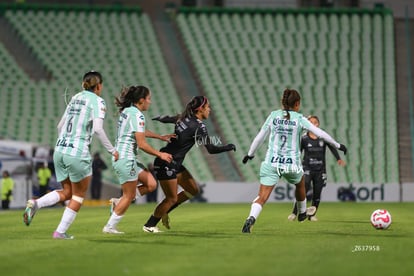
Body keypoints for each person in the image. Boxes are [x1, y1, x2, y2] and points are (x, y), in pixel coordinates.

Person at [23, 71, 119, 239]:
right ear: (99, 86)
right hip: (77, 152)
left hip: (60, 150)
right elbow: (97, 129)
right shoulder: (98, 101)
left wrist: (65, 143)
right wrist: (112, 150)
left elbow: (60, 126)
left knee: (67, 192)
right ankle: (59, 232)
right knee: (78, 195)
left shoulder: (75, 98)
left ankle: (36, 203)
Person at [241, 88, 347, 233]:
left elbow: (260, 137)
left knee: (262, 196)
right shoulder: (299, 118)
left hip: (271, 162)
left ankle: (251, 218)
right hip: (291, 164)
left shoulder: (273, 116)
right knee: (300, 183)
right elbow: (320, 133)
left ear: (283, 102)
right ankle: (302, 212)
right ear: (297, 103)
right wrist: (338, 145)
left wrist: (250, 154)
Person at [142, 95, 236, 233]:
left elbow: (168, 118)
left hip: (173, 162)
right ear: (200, 109)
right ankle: (149, 225)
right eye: (208, 107)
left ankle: (165, 210)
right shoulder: (199, 126)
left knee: (193, 190)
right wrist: (227, 147)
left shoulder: (184, 117)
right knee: (171, 198)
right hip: (166, 162)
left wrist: (159, 117)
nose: (210, 109)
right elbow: (211, 149)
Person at [102, 85, 174, 234]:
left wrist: (160, 137)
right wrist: (160, 154)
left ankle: (118, 201)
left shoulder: (128, 111)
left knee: (151, 184)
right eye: (149, 99)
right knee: (129, 196)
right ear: (141, 100)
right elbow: (141, 144)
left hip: (124, 157)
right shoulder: (137, 115)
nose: (150, 102)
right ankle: (109, 226)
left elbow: (139, 131)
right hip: (126, 159)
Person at [288, 115, 346, 221]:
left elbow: (332, 147)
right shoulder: (304, 138)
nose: (313, 124)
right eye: (310, 122)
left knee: (317, 192)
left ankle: (311, 215)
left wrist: (338, 158)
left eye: (315, 122)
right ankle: (294, 213)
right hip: (307, 168)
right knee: (303, 189)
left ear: (318, 124)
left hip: (320, 169)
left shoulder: (323, 137)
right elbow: (298, 152)